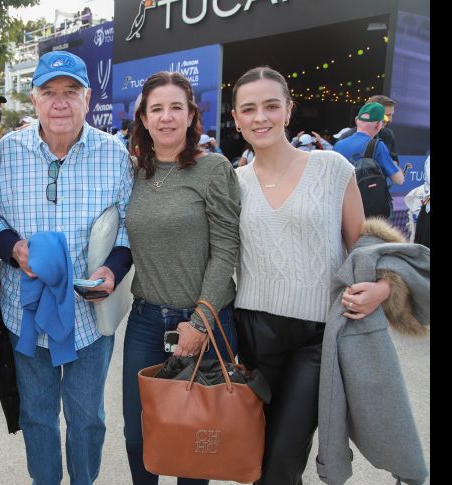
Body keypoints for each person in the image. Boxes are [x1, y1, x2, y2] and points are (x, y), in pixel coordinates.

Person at [230, 66, 393, 485]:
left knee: (281, 464)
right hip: (252, 333)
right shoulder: (232, 182)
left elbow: (364, 246)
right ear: (236, 118)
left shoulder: (332, 168)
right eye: (249, 109)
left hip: (317, 336)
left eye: (271, 105)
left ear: (288, 110)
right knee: (256, 458)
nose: (260, 117)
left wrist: (384, 286)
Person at [0, 50, 134, 485]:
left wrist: (113, 270)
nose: (60, 102)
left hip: (88, 314)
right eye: (49, 92)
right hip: (26, 313)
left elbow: (129, 225)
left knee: (87, 417)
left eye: (71, 91)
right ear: (34, 99)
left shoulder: (113, 154)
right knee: (37, 415)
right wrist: (14, 249)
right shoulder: (6, 153)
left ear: (87, 99)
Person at [123, 71, 241, 485]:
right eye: (156, 109)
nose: (167, 117)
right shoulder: (132, 172)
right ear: (143, 118)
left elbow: (226, 249)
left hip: (204, 321)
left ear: (191, 116)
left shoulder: (213, 168)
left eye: (177, 107)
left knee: (194, 438)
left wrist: (200, 322)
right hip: (145, 321)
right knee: (138, 434)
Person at [334, 101, 405, 216]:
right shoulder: (378, 146)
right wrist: (394, 164)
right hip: (367, 211)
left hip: (341, 207)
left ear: (356, 120)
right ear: (378, 125)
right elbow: (399, 180)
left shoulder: (338, 145)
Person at [337, 94, 399, 163]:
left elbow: (394, 161)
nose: (390, 120)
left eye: (391, 115)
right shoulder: (346, 138)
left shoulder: (388, 135)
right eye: (387, 115)